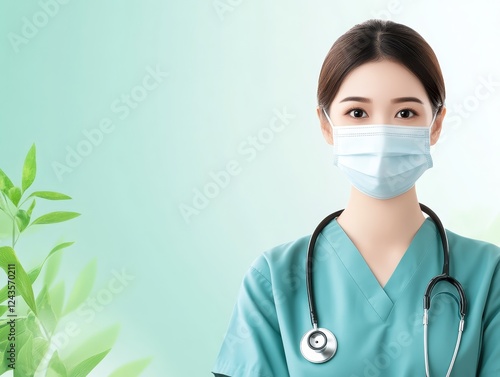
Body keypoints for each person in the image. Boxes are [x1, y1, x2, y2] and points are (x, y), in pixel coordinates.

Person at [212, 19, 500, 376]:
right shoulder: (273, 279)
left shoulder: (488, 274)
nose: (380, 133)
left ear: (436, 124)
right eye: (357, 113)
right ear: (325, 124)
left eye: (405, 113)